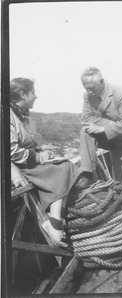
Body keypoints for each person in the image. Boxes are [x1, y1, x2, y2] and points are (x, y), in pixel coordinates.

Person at [10, 77, 82, 247]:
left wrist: (42, 152)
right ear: (22, 94)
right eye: (33, 93)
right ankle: (54, 224)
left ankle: (55, 219)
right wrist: (37, 157)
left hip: (28, 162)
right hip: (21, 167)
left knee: (68, 166)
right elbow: (10, 151)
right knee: (62, 170)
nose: (36, 97)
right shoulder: (8, 115)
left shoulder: (22, 114)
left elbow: (30, 141)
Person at [79, 67, 122, 218]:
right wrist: (108, 126)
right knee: (121, 187)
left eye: (91, 88)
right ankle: (88, 173)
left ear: (101, 82)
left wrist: (102, 127)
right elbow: (86, 119)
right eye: (86, 89)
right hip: (114, 143)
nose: (89, 92)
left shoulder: (120, 93)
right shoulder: (88, 96)